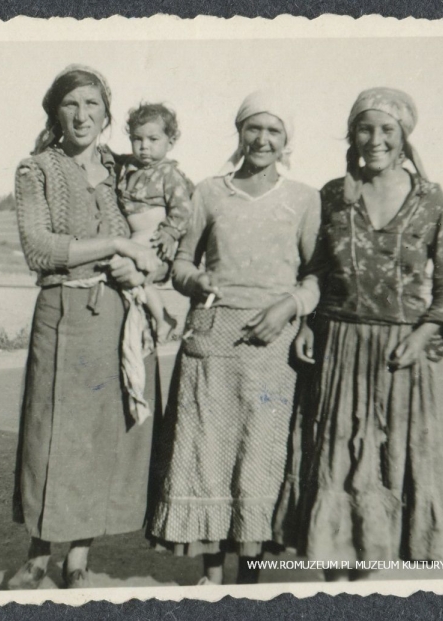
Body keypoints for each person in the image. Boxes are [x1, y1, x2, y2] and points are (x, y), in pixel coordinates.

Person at [274, 87, 443, 581]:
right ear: (352, 135)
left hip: (400, 355)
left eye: (387, 130)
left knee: (386, 460)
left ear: (404, 137)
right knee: (336, 459)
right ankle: (335, 578)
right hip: (338, 347)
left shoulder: (430, 199)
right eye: (365, 128)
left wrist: (420, 337)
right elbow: (316, 270)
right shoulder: (332, 195)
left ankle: (367, 576)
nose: (375, 139)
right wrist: (307, 325)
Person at [148, 91, 321, 585]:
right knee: (207, 454)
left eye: (274, 131)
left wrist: (289, 307)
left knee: (259, 459)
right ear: (240, 132)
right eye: (254, 128)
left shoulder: (304, 199)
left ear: (287, 140)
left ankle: (249, 581)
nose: (263, 139)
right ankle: (212, 576)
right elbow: (181, 263)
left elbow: (316, 277)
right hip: (212, 340)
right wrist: (194, 280)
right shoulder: (209, 192)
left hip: (273, 346)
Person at [8, 64, 164, 590]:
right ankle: (38, 553)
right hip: (62, 314)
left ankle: (78, 556)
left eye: (92, 104)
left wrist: (140, 268)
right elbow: (40, 249)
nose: (82, 115)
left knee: (100, 436)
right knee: (51, 434)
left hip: (115, 315)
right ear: (55, 112)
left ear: (106, 114)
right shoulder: (36, 170)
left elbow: (158, 231)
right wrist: (115, 245)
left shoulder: (125, 171)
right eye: (71, 104)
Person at [115, 103, 195, 423]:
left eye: (153, 139)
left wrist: (170, 233)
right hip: (136, 235)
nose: (144, 147)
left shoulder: (168, 173)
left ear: (170, 142)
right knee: (132, 278)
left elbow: (182, 209)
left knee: (138, 277)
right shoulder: (129, 169)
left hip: (154, 235)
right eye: (137, 139)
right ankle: (157, 318)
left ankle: (163, 319)